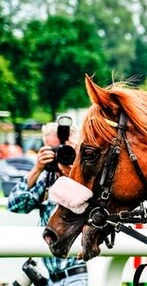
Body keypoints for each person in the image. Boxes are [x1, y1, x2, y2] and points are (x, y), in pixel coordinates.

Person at [8, 120, 88, 284]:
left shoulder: (87, 176)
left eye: (65, 148)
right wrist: (37, 169)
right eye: (53, 150)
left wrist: (71, 174)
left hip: (78, 274)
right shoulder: (47, 177)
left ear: (78, 146)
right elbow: (16, 205)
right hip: (51, 278)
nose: (60, 153)